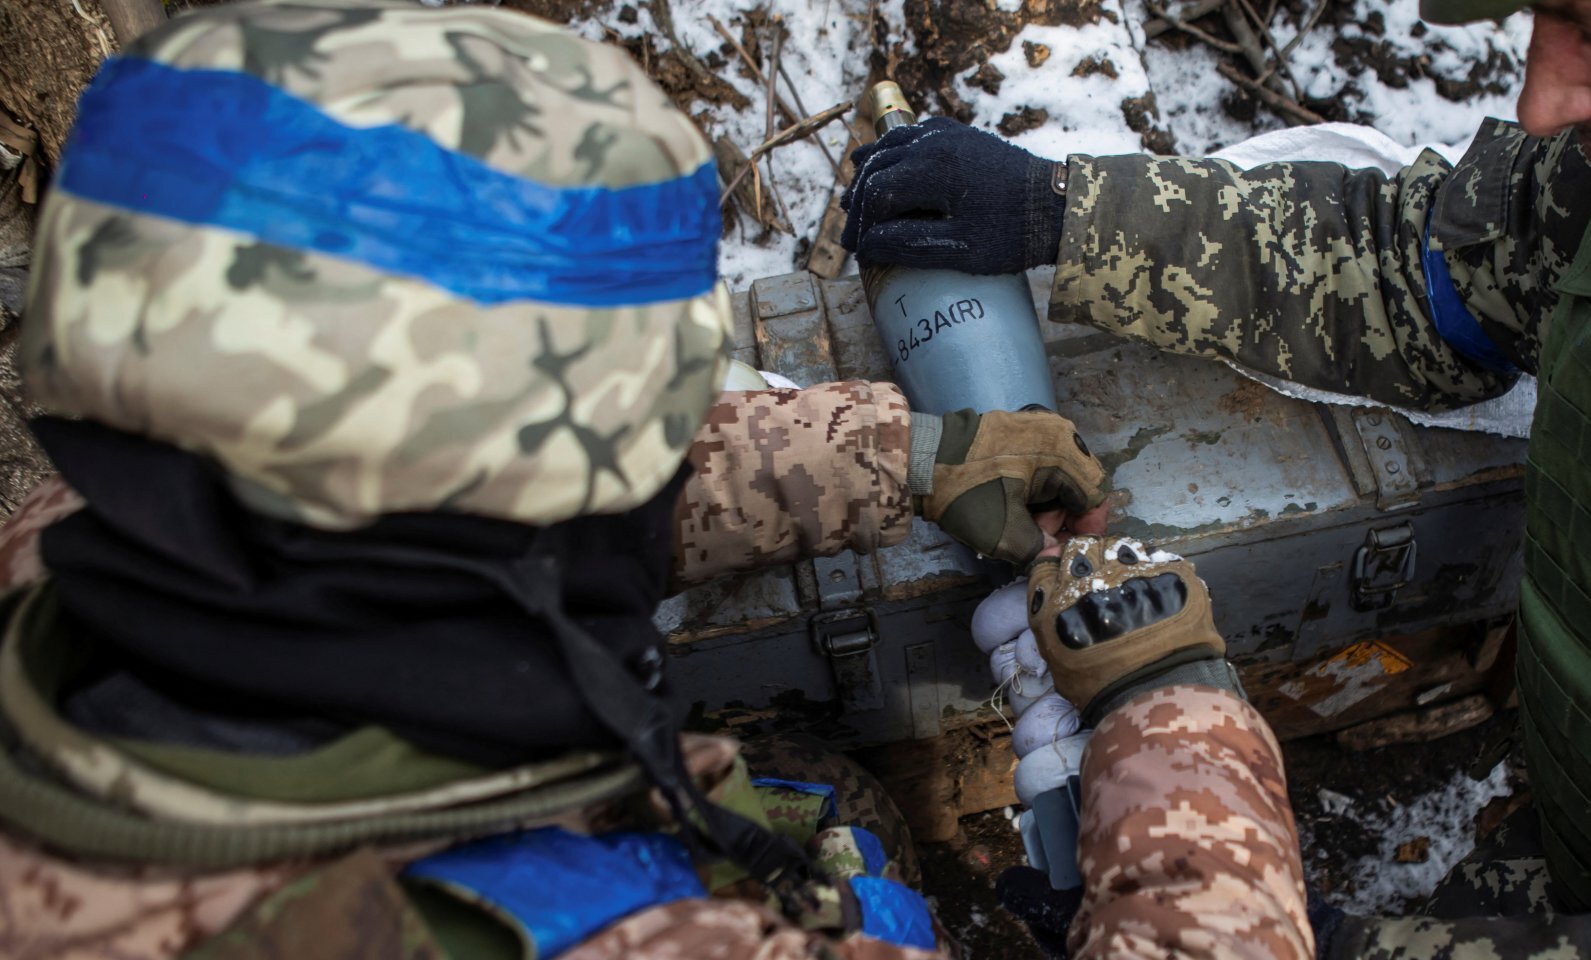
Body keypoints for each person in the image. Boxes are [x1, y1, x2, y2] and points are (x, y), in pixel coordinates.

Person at [0, 0, 1139, 956]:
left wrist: (894, 454)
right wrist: (1162, 705)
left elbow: (493, 505)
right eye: (644, 431)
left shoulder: (97, 535)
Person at [840, 0, 1591, 954]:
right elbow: (1418, 269)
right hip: (1586, 844)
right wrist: (1066, 215)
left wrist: (1284, 937)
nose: (1543, 101)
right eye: (1547, 17)